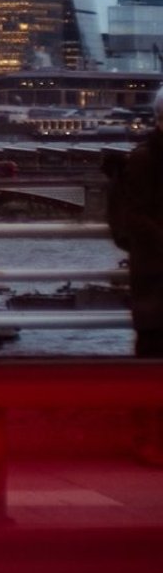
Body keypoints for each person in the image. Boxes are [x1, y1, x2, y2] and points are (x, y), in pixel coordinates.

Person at [108, 85, 163, 464]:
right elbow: (133, 218)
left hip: (154, 279)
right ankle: (149, 442)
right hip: (156, 282)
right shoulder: (145, 160)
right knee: (152, 364)